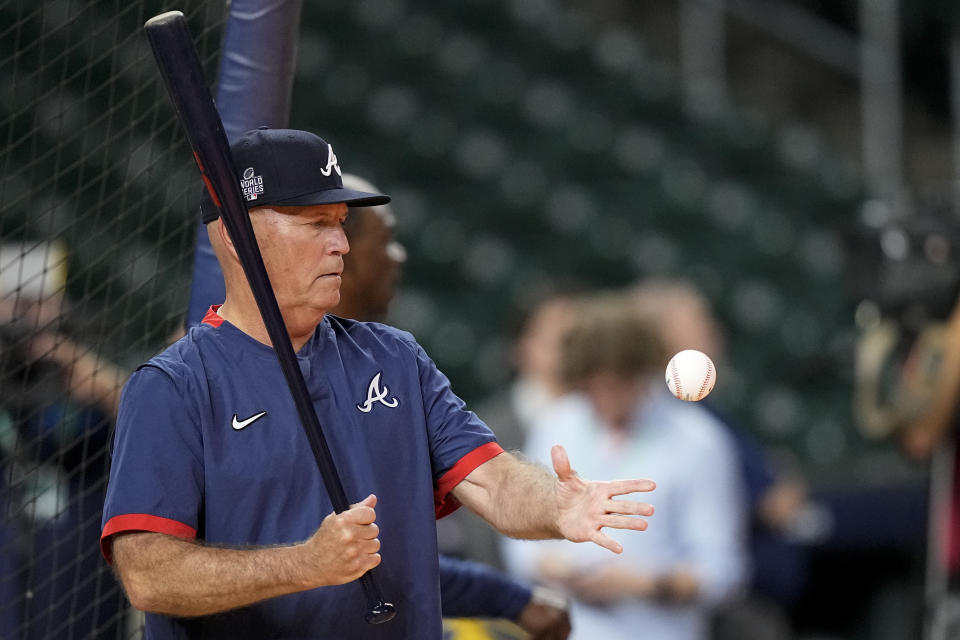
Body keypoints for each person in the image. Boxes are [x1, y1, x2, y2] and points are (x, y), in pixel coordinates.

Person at [100, 128, 657, 640]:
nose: (340, 244)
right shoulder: (174, 386)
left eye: (341, 222)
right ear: (236, 235)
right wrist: (303, 565)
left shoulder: (394, 357)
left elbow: (493, 483)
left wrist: (555, 507)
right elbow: (149, 574)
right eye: (315, 224)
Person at [336, 172, 571, 639]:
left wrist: (512, 598)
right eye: (388, 242)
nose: (398, 259)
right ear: (339, 254)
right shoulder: (232, 372)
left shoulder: (396, 361)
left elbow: (394, 561)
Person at [502, 292, 747, 640]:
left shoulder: (699, 441)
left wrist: (645, 584)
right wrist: (554, 567)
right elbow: (519, 542)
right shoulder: (556, 423)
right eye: (593, 387)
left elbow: (723, 572)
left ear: (642, 372)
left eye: (618, 385)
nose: (605, 399)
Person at [0, 241, 127, 639]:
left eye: (40, 302)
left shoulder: (81, 366)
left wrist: (90, 376)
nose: (29, 316)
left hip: (77, 569)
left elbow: (154, 421)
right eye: (17, 303)